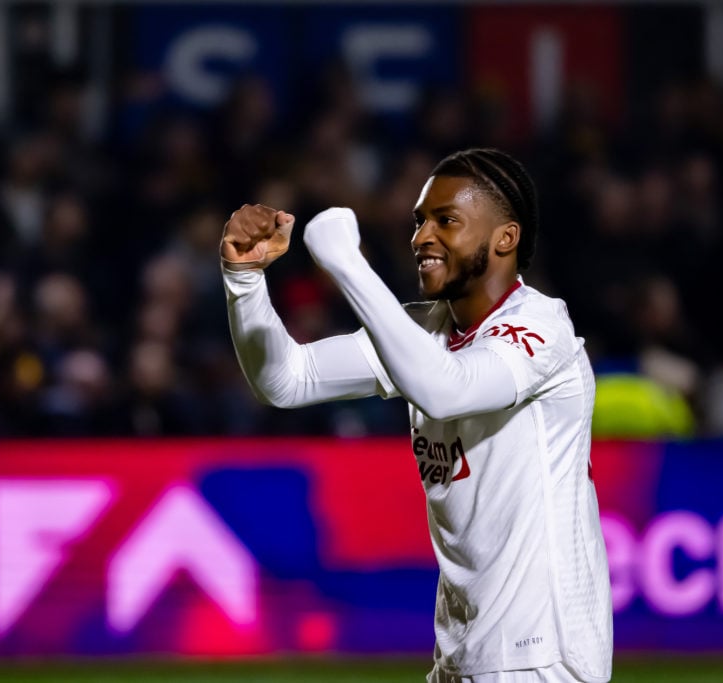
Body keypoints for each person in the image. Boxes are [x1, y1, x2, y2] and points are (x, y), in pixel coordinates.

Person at [220, 148, 612, 683]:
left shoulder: (543, 328)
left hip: (539, 658)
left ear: (505, 238)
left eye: (446, 220)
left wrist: (345, 262)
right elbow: (287, 380)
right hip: (463, 656)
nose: (422, 236)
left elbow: (445, 389)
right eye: (419, 220)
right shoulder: (424, 331)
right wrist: (244, 281)